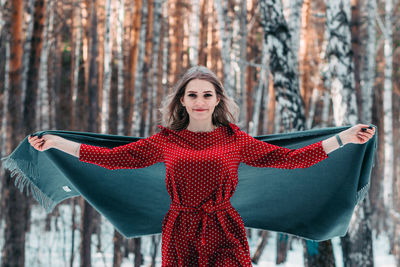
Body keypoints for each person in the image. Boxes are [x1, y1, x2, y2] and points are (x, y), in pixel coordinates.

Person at [28, 65, 375, 266]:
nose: (199, 101)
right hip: (179, 230)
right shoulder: (166, 141)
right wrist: (57, 143)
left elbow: (291, 159)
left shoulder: (234, 139)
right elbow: (110, 158)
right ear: (182, 99)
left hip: (224, 228)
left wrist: (343, 139)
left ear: (217, 99)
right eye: (192, 94)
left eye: (207, 94)